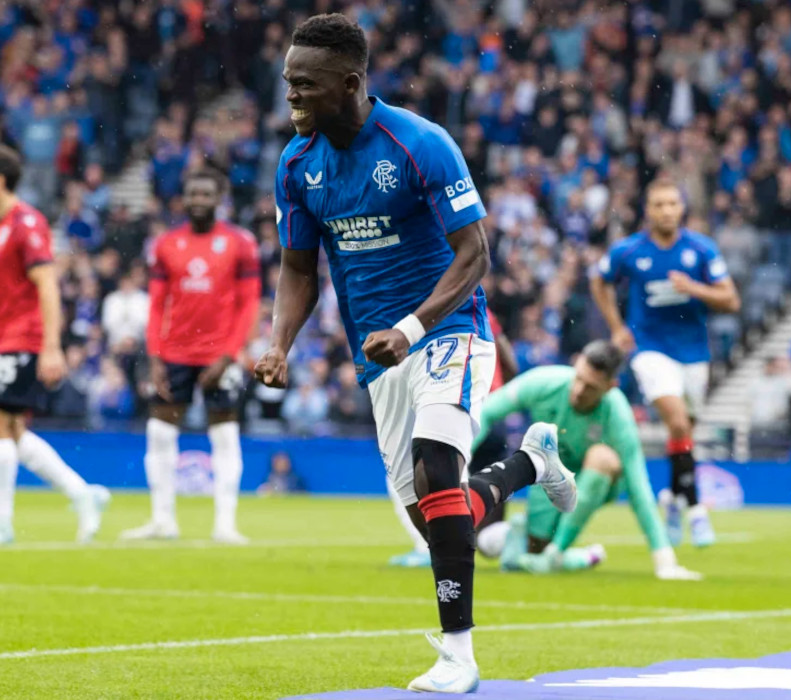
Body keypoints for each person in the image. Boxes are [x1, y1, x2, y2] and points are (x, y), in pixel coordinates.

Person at [254, 14, 577, 693]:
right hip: (380, 361)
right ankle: (526, 464)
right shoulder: (296, 165)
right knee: (437, 517)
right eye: (288, 84)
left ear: (349, 83)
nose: (292, 98)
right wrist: (278, 343)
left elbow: (475, 252)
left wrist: (411, 325)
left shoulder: (419, 143)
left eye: (304, 86)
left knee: (437, 470)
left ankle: (458, 657)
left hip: (448, 329)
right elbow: (299, 269)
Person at [0, 144, 109, 546]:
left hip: (25, 336)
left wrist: (52, 346)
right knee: (13, 428)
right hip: (2, 338)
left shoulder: (28, 223)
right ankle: (82, 494)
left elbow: (48, 284)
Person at [590, 177, 740, 548]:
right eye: (659, 204)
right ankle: (696, 512)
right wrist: (616, 327)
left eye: (672, 204)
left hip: (694, 352)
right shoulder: (630, 250)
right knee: (676, 422)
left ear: (682, 208)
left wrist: (695, 289)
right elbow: (599, 279)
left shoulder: (700, 249)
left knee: (683, 432)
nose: (667, 211)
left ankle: (671, 499)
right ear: (648, 210)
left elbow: (731, 300)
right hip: (650, 348)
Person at [473, 341, 701, 579]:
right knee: (516, 547)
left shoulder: (618, 413)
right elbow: (488, 411)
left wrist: (664, 560)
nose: (579, 390)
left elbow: (638, 486)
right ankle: (578, 556)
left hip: (589, 484)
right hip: (545, 484)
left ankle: (556, 553)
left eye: (591, 387)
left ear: (610, 386)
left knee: (603, 458)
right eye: (579, 378)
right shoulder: (545, 381)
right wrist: (459, 462)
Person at [121, 168, 261, 544]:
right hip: (175, 353)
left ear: (220, 198)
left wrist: (231, 355)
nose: (198, 201)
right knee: (159, 433)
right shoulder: (165, 245)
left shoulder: (240, 243)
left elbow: (250, 306)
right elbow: (156, 306)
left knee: (225, 435)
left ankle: (225, 526)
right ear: (183, 198)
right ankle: (162, 521)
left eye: (206, 194)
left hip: (222, 355)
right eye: (192, 194)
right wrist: (154, 355)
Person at [388, 305, 519, 568]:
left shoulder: (429, 310)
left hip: (461, 403)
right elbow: (511, 364)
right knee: (484, 488)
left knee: (408, 471)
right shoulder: (482, 310)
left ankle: (429, 546)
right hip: (493, 412)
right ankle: (508, 537)